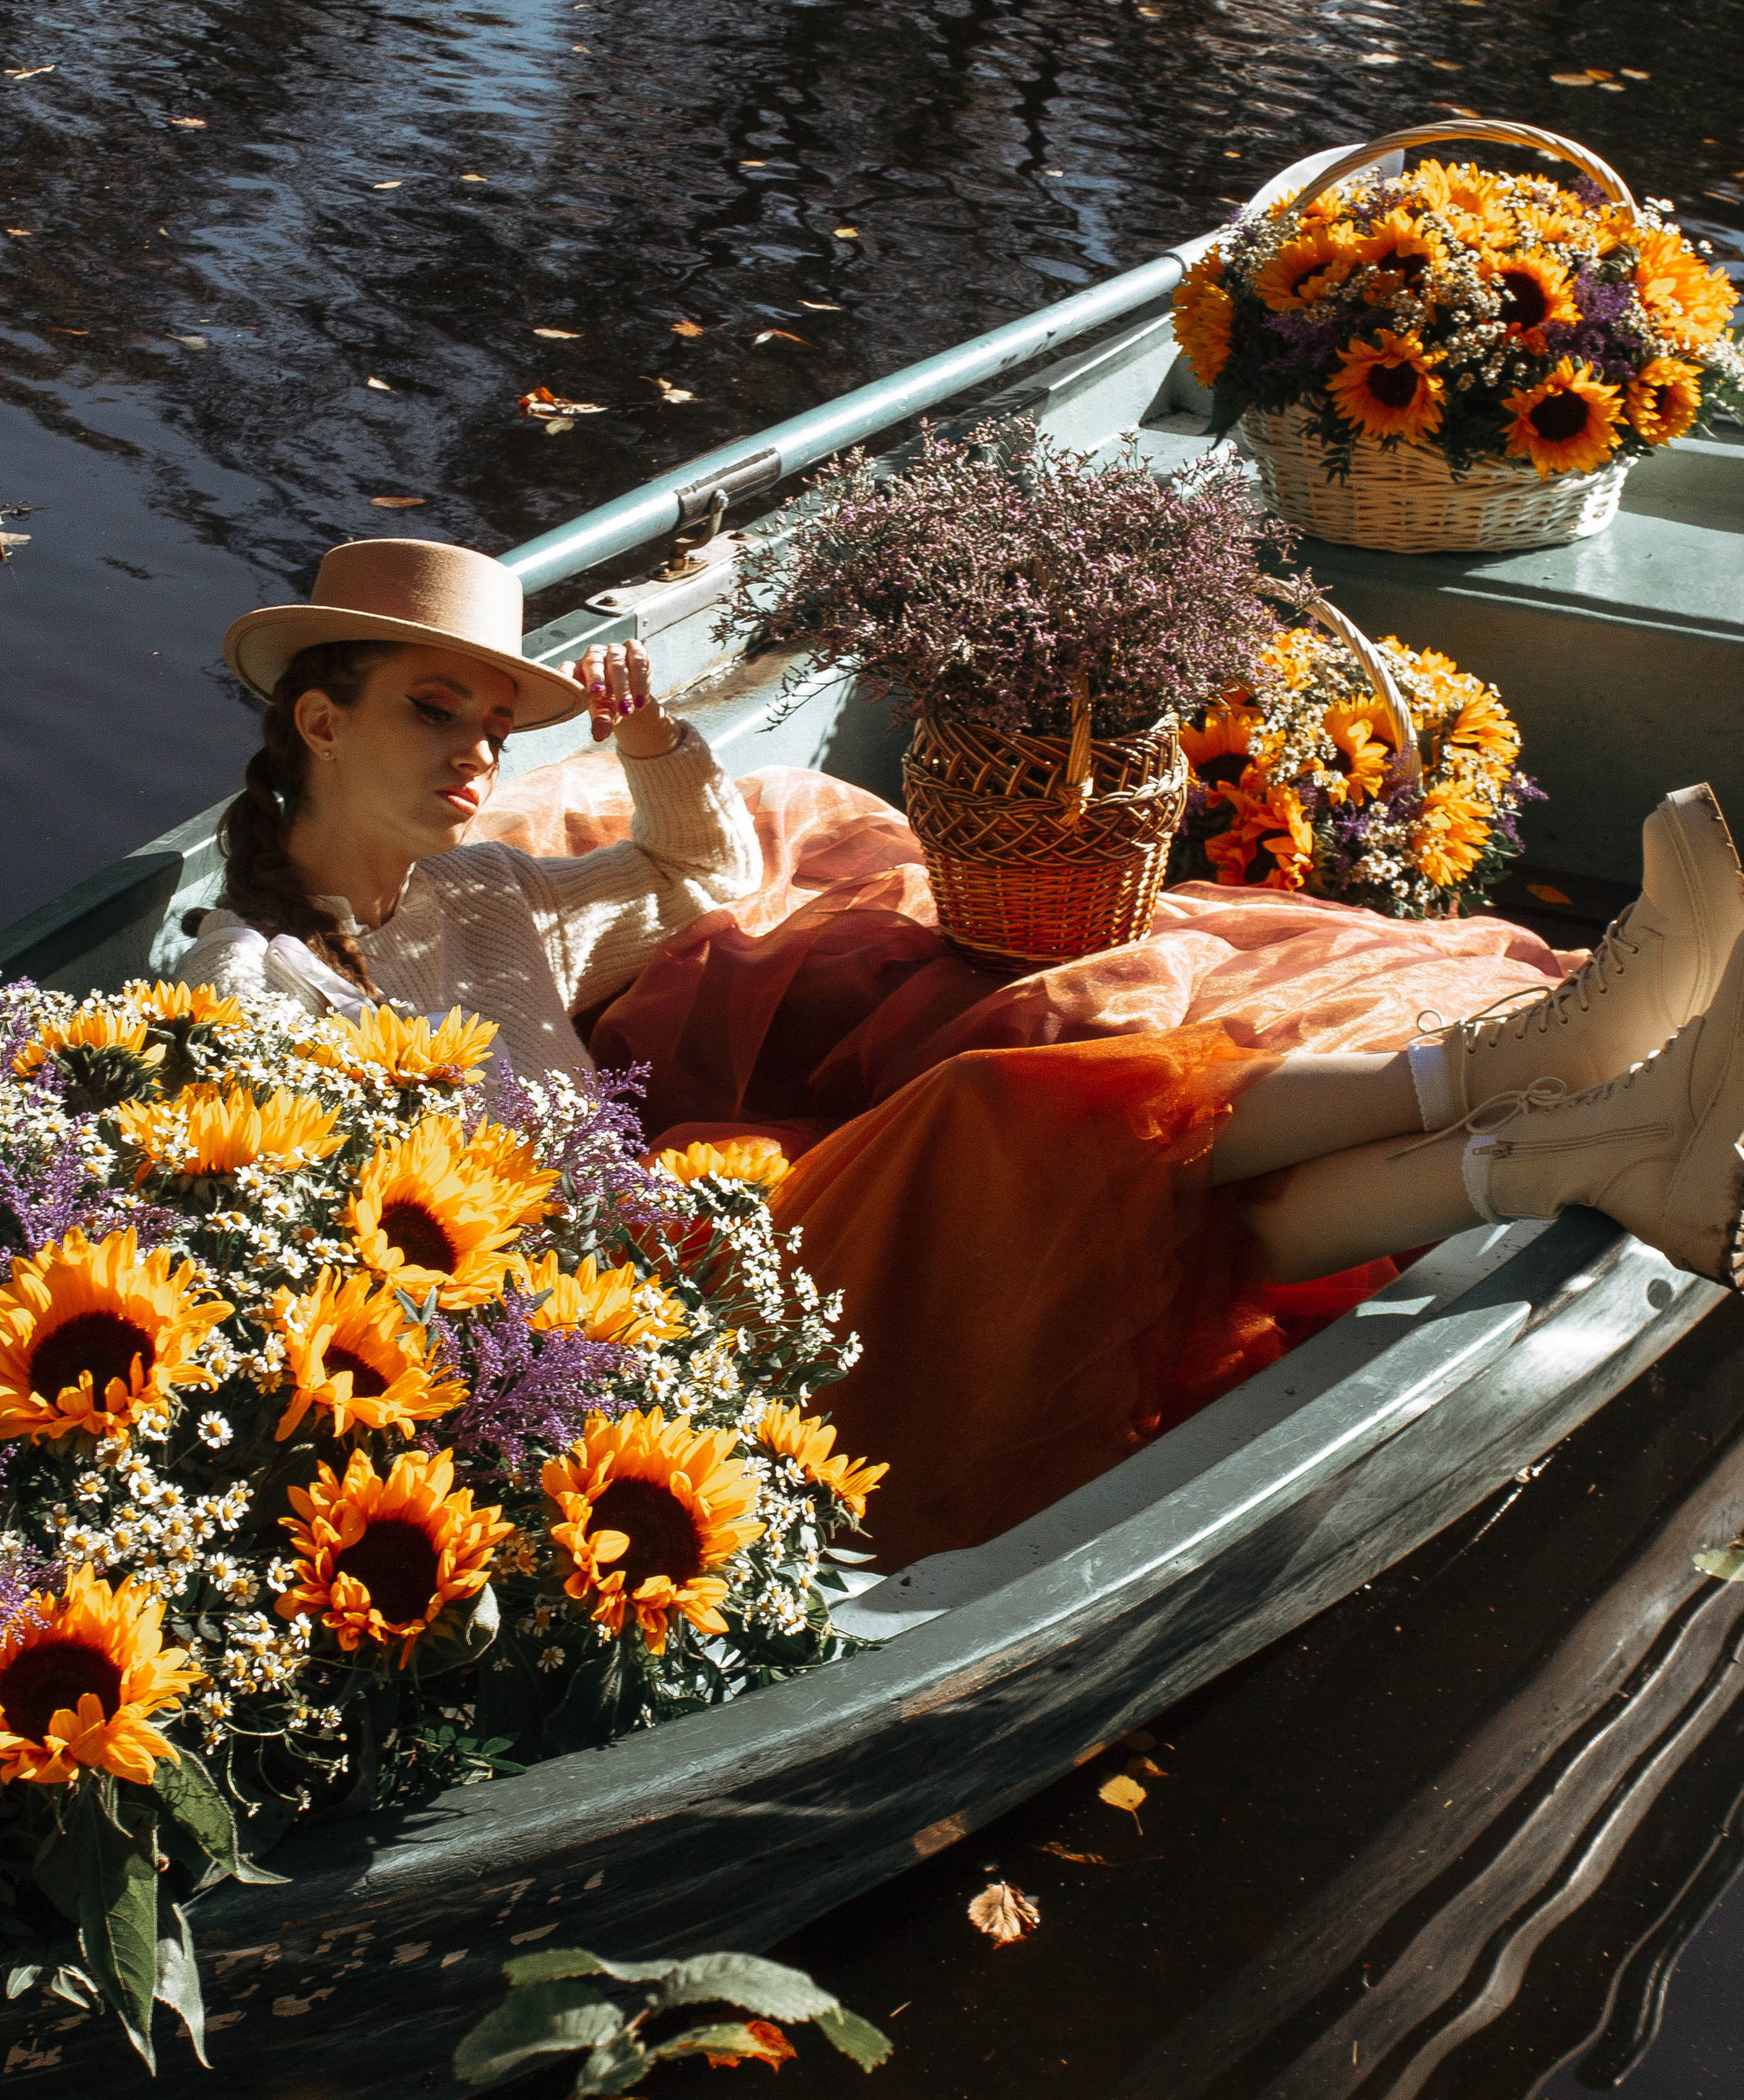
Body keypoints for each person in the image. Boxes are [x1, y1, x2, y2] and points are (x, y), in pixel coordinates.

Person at [194, 538, 1744, 1565]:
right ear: (319, 725)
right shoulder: (247, 979)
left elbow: (704, 869)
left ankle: (1572, 1128)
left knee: (1119, 1180)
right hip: (594, 1311)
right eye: (434, 712)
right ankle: (1546, 1087)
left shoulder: (478, 881)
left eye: (491, 725)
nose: (478, 756)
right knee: (1001, 1109)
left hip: (671, 1211)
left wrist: (651, 745)